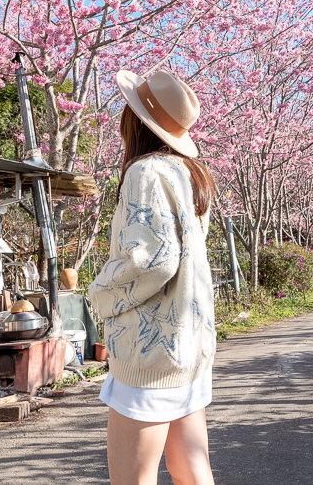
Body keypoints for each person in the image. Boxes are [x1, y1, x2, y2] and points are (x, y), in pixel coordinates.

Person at [88, 69, 217, 485]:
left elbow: (153, 260)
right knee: (191, 470)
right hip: (189, 343)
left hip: (150, 349)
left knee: (132, 480)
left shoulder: (146, 172)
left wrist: (101, 293)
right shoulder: (191, 173)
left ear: (137, 122)